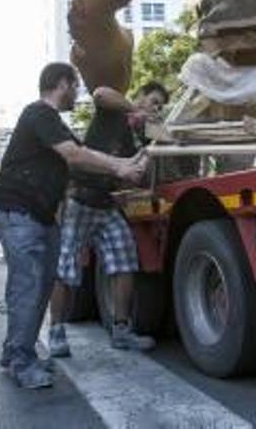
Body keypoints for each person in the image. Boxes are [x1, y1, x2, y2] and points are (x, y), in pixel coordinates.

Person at [0, 62, 148, 389]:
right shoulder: (38, 113)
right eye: (75, 85)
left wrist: (122, 163)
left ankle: (14, 352)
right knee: (29, 286)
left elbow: (83, 151)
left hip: (42, 216)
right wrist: (120, 168)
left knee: (43, 283)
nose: (78, 93)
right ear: (63, 83)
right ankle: (22, 360)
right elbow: (75, 156)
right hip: (19, 213)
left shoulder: (54, 124)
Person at [48, 81, 169, 359]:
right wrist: (135, 109)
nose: (155, 108)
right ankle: (55, 331)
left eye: (160, 106)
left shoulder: (142, 135)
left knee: (125, 260)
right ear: (138, 97)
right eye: (152, 101)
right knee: (66, 267)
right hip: (79, 200)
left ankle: (121, 330)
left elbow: (136, 173)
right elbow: (100, 92)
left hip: (107, 204)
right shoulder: (113, 111)